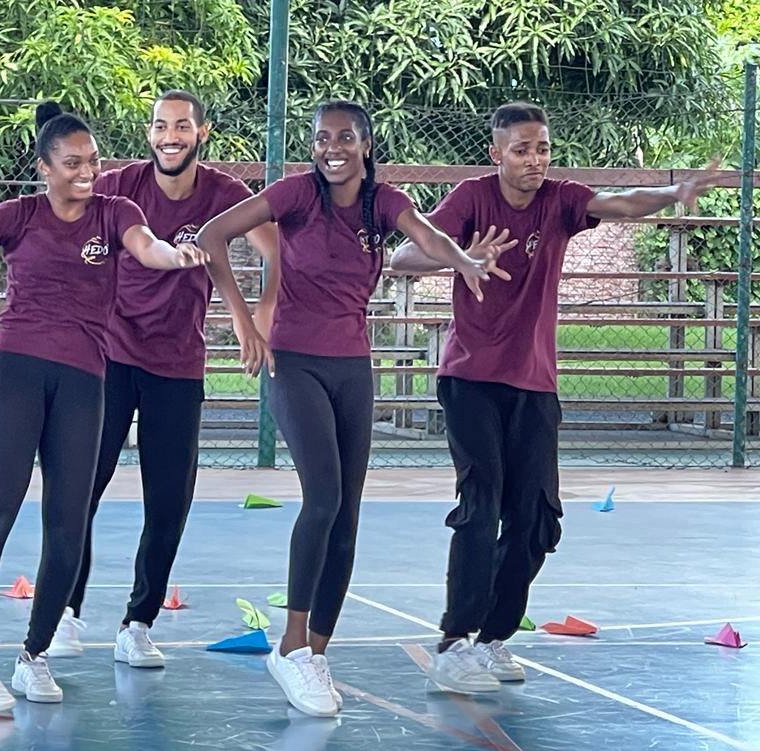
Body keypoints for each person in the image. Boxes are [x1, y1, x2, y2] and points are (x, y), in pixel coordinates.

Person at [390, 101, 721, 694]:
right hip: (470, 378)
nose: (534, 159)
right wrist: (462, 257)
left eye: (542, 148)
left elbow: (622, 204)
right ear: (497, 153)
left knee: (536, 520)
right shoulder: (471, 199)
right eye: (522, 149)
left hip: (534, 383)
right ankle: (453, 642)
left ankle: (491, 638)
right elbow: (403, 257)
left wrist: (674, 192)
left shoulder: (561, 200)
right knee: (482, 503)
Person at [198, 100, 503, 718]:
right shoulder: (294, 194)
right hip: (294, 362)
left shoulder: (381, 203)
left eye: (344, 137)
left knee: (347, 515)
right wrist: (244, 319)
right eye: (321, 138)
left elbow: (426, 234)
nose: (331, 147)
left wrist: (464, 259)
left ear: (365, 144)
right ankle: (289, 646)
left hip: (351, 368)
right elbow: (211, 236)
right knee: (323, 498)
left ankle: (315, 651)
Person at [0, 101, 209, 713]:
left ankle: (34, 655)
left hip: (83, 381)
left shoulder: (116, 213)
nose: (87, 172)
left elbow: (148, 247)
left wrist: (174, 256)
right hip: (16, 373)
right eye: (72, 163)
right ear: (44, 168)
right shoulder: (16, 215)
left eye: (93, 161)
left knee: (68, 521)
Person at [47, 90, 277, 668]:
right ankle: (64, 610)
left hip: (177, 364)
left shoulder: (225, 194)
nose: (169, 136)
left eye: (181, 126)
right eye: (159, 126)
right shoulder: (120, 186)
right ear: (149, 133)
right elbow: (64, 214)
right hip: (109, 358)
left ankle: (138, 623)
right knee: (80, 490)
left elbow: (277, 252)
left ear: (202, 133)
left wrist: (259, 315)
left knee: (169, 503)